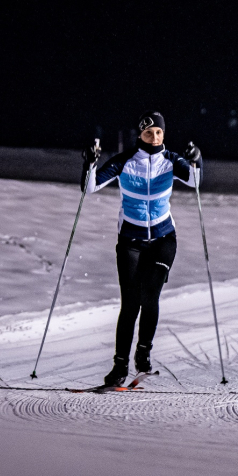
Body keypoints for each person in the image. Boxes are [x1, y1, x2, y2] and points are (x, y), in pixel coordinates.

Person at [81, 110, 203, 386]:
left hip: (163, 239)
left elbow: (195, 182)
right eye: (149, 133)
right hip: (130, 242)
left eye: (159, 132)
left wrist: (197, 160)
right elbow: (90, 188)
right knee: (130, 304)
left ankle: (143, 353)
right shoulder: (125, 161)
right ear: (140, 134)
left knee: (150, 297)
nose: (154, 137)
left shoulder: (171, 161)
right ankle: (119, 367)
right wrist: (89, 162)